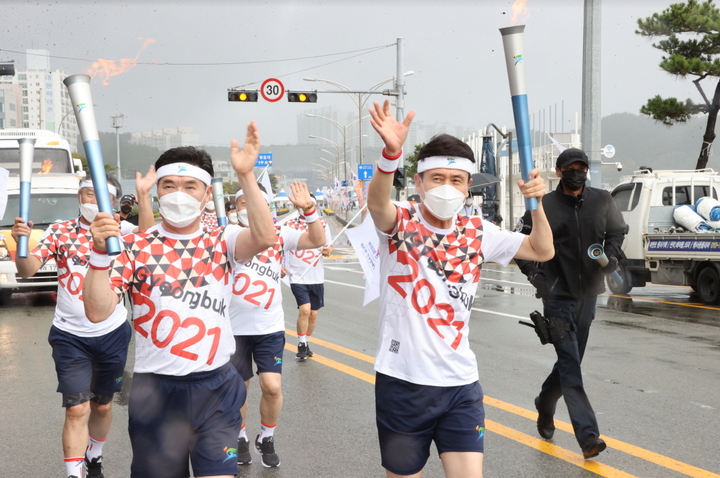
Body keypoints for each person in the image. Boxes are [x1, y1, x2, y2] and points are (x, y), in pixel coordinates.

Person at [366, 99, 554, 478]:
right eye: (437, 178)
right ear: (419, 182)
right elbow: (376, 204)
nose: (447, 188)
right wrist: (390, 154)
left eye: (456, 180)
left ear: (468, 187)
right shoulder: (401, 221)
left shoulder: (479, 231)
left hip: (460, 384)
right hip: (404, 382)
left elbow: (542, 249)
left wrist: (538, 203)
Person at [82, 121, 276, 478]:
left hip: (217, 386)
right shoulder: (135, 246)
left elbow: (264, 237)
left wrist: (246, 176)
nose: (178, 193)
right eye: (169, 185)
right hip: (155, 392)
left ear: (205, 195)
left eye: (190, 186)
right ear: (156, 192)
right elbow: (96, 311)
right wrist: (97, 254)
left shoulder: (223, 239)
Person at [11, 170, 154, 478]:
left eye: (102, 196)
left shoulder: (126, 233)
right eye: (89, 194)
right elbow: (26, 270)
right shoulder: (60, 231)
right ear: (80, 197)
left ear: (114, 202)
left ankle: (95, 455)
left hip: (112, 333)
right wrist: (20, 243)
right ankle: (73, 473)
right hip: (69, 335)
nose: (94, 200)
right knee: (77, 408)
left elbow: (154, 244)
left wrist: (143, 196)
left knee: (102, 406)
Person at [516, 147, 627, 460]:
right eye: (571, 167)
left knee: (571, 362)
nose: (577, 171)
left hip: (589, 294)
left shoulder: (603, 200)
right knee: (570, 363)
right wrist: (536, 277)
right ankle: (588, 436)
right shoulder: (542, 206)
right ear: (559, 171)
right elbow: (520, 244)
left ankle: (544, 403)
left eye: (582, 167)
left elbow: (617, 232)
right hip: (556, 298)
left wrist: (612, 256)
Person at [229, 180, 326, 467]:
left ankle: (266, 436)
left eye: (255, 201)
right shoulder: (228, 235)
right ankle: (240, 435)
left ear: (267, 207)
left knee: (272, 387)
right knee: (239, 389)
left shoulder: (281, 234)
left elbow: (317, 239)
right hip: (232, 329)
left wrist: (308, 209)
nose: (249, 207)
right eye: (244, 202)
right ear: (235, 208)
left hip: (268, 326)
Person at [282, 193, 333, 360]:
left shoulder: (323, 224)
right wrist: (280, 264)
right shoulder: (288, 225)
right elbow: (279, 247)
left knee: (313, 314)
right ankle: (301, 343)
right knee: (304, 310)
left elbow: (329, 247)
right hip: (297, 275)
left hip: (316, 276)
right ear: (298, 207)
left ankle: (307, 341)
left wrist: (327, 251)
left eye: (310, 205)